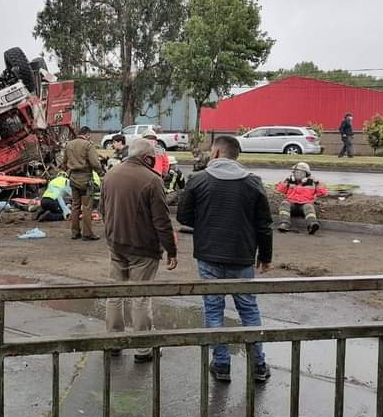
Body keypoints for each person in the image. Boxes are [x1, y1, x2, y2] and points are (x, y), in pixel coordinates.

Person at [177, 135, 273, 383]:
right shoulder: (253, 183)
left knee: (213, 309)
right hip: (242, 257)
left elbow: (183, 217)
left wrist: (206, 223)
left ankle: (221, 365)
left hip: (208, 255)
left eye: (211, 151)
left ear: (217, 153)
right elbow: (264, 225)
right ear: (235, 156)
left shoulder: (198, 180)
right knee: (249, 309)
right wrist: (265, 256)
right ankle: (258, 365)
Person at [100, 138, 178, 363]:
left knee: (115, 294)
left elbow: (103, 210)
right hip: (143, 249)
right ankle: (143, 349)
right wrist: (170, 250)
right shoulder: (152, 181)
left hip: (116, 244)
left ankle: (113, 343)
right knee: (140, 297)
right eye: (153, 155)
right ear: (147, 157)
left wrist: (113, 234)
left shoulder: (110, 175)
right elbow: (161, 222)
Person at [64, 126, 104, 240]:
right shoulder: (88, 145)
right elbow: (95, 163)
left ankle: (75, 232)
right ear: (87, 134)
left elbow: (64, 162)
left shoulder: (69, 145)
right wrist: (101, 173)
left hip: (73, 178)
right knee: (87, 207)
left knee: (75, 206)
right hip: (85, 179)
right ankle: (87, 233)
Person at [276, 162, 328, 234]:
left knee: (309, 206)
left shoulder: (312, 182)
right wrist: (286, 181)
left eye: (300, 172)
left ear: (306, 174)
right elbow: (280, 189)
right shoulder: (290, 181)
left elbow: (323, 192)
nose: (297, 174)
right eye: (296, 172)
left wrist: (317, 183)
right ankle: (284, 224)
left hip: (305, 206)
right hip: (292, 205)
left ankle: (312, 224)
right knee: (284, 203)